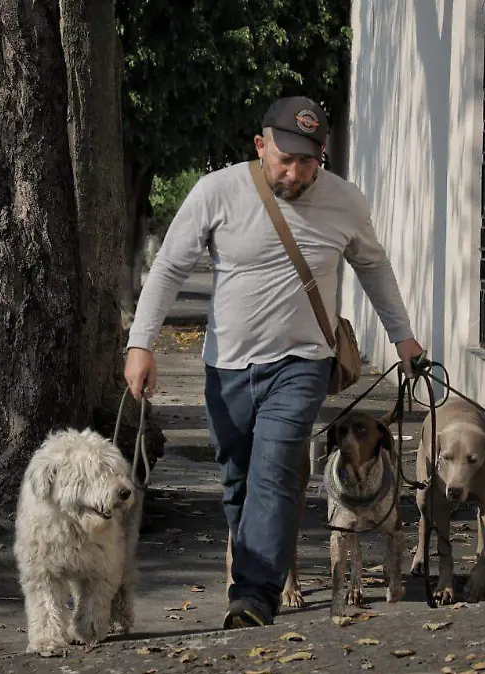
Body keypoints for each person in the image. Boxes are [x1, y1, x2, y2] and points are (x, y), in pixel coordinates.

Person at [124, 95, 423, 629]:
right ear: (261, 146)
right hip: (227, 366)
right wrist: (141, 344)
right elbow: (168, 267)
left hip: (303, 362)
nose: (295, 172)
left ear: (321, 155)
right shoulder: (217, 191)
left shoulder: (345, 202)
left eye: (308, 161)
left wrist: (404, 339)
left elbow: (374, 268)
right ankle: (250, 572)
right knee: (239, 480)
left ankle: (254, 597)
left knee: (277, 468)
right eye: (286, 159)